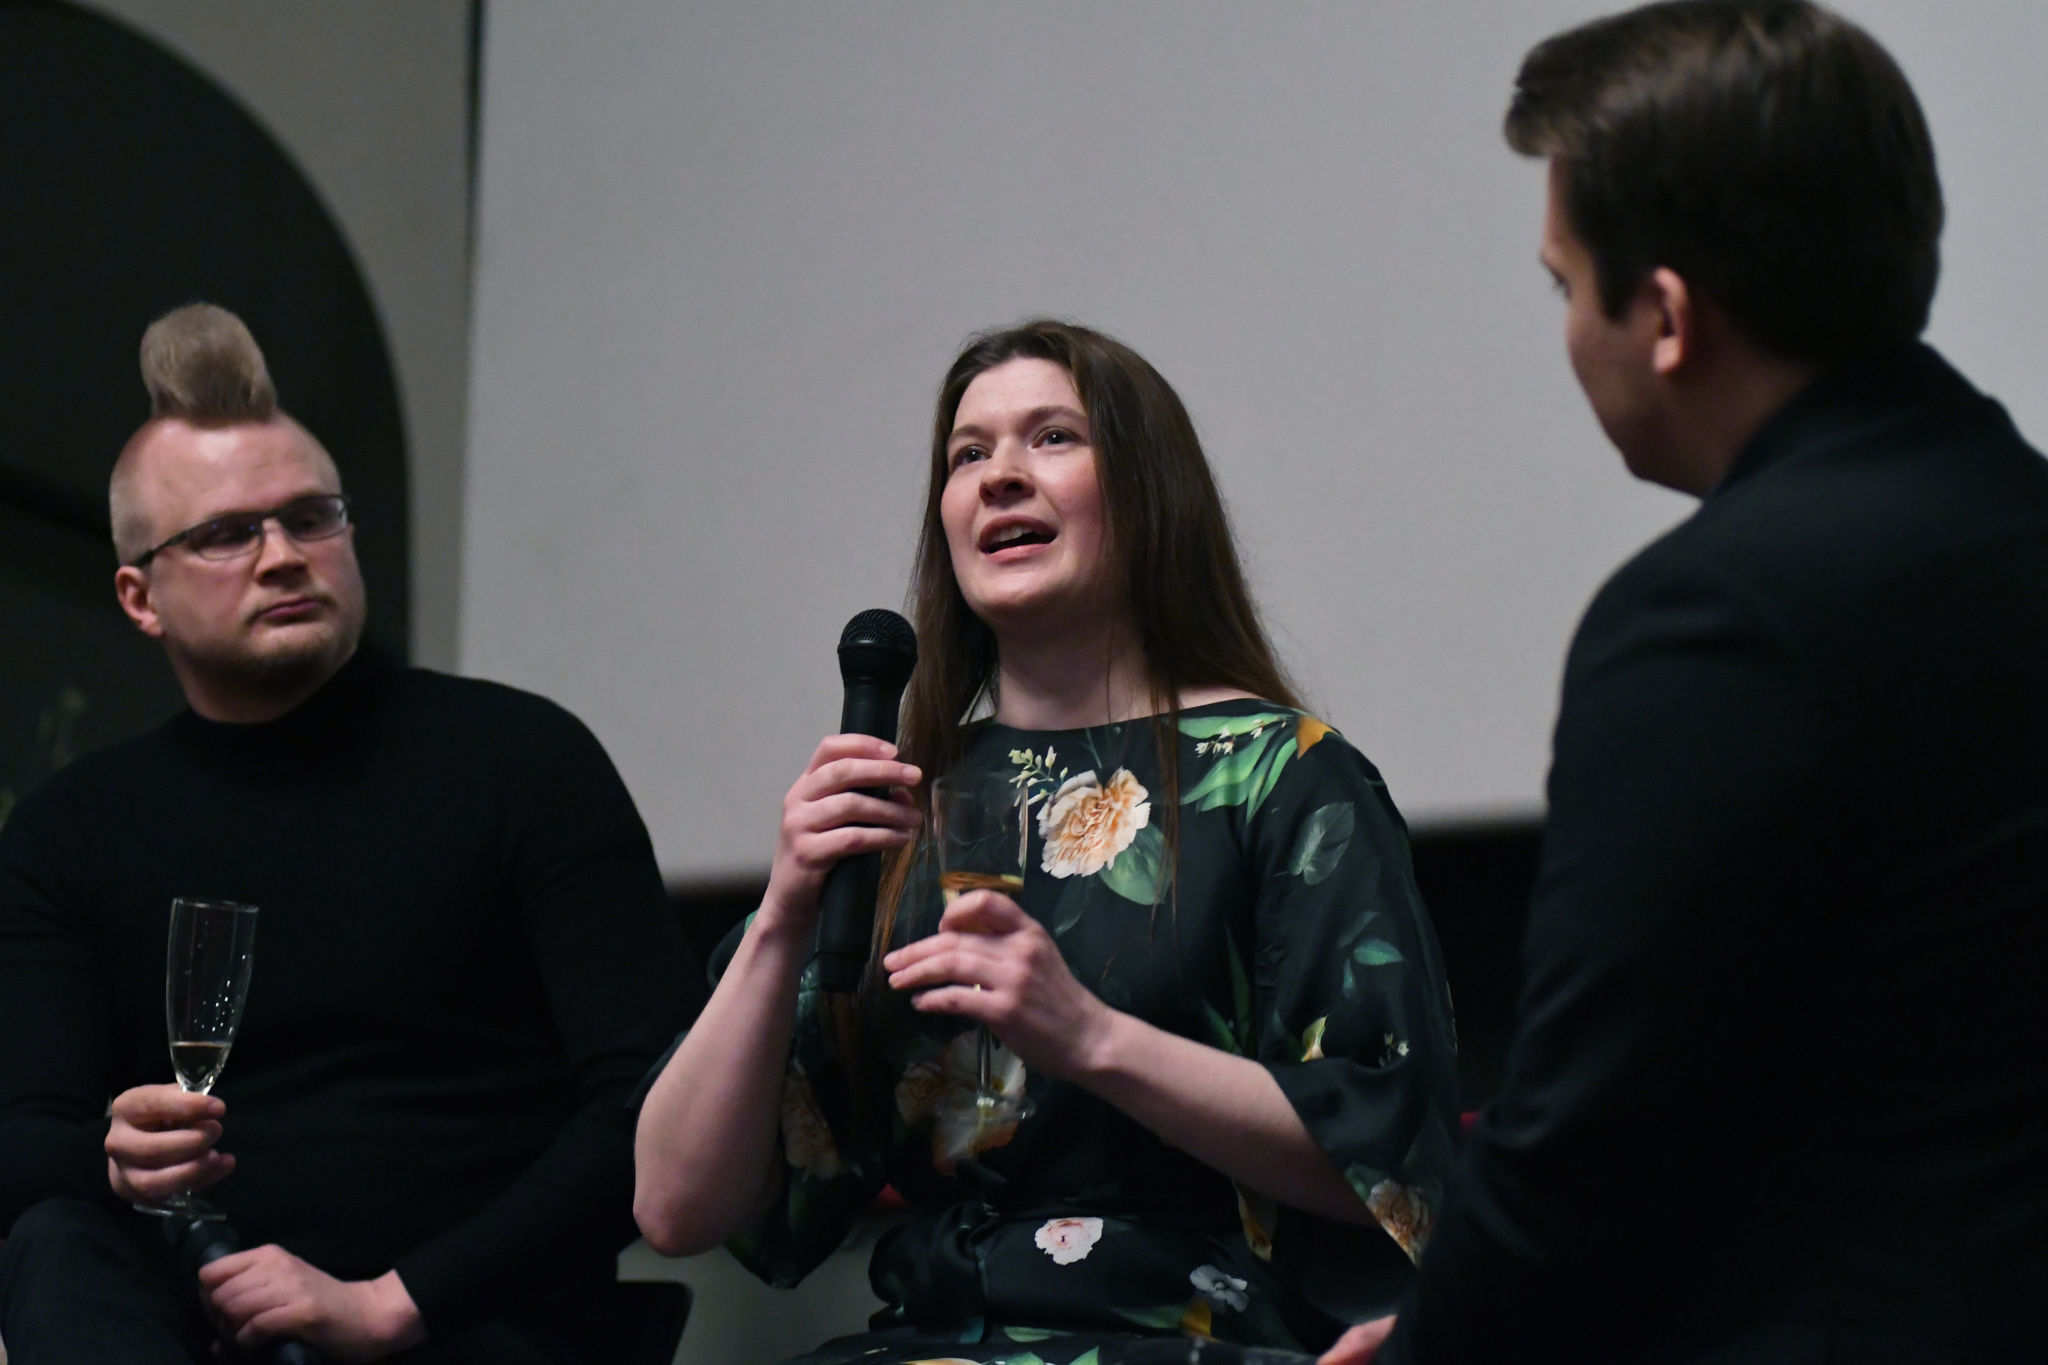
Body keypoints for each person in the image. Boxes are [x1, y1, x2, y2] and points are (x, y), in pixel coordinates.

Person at [1322, 4, 2048, 1363]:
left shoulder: (1710, 619)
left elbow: (1588, 1150)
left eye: (1562, 285)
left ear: (1663, 316)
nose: (1564, 328)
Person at [634, 319, 1459, 1364]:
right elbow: (673, 1206)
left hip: (1183, 1337)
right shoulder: (906, 803)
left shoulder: (1279, 774)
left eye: (1053, 437)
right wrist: (783, 918)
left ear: (1150, 491)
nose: (1000, 477)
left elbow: (1388, 1161)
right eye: (967, 454)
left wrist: (1090, 1038)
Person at [0, 303, 698, 1363]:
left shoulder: (521, 759)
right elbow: (21, 1138)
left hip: (475, 1324)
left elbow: (653, 1108)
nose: (283, 556)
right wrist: (112, 1156)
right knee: (55, 1240)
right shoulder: (70, 830)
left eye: (311, 517)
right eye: (227, 534)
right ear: (140, 597)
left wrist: (392, 1302)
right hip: (191, 1329)